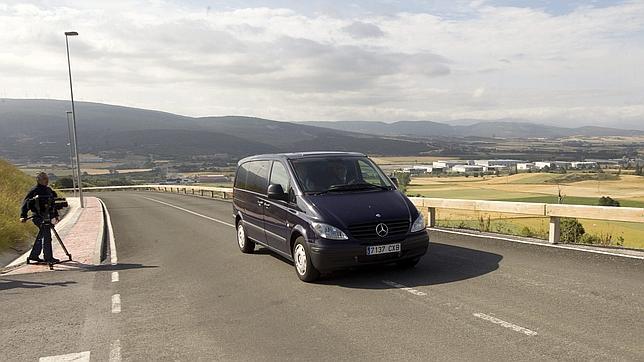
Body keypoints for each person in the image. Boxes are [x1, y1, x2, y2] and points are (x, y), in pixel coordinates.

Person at [19, 172, 60, 264]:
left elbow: (52, 203)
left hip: (47, 216)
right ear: (38, 180)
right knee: (46, 236)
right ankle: (48, 258)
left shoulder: (49, 190)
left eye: (47, 178)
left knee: (42, 235)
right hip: (38, 217)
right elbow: (25, 204)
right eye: (44, 179)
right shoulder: (34, 190)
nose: (47, 180)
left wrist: (56, 215)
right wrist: (23, 216)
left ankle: (34, 255)